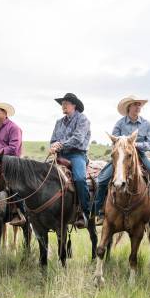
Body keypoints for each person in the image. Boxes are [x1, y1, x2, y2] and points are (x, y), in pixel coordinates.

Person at [94, 95, 150, 224]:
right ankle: (99, 211)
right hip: (122, 156)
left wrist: (134, 145)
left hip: (140, 155)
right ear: (129, 107)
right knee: (101, 180)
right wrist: (123, 145)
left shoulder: (146, 124)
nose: (138, 107)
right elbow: (115, 141)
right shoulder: (120, 123)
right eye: (135, 104)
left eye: (139, 104)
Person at [50, 93, 91, 229]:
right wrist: (54, 146)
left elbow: (78, 139)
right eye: (62, 103)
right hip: (60, 156)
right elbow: (53, 140)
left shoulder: (82, 120)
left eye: (66, 103)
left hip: (77, 155)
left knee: (79, 179)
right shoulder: (59, 122)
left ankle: (84, 212)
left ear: (74, 105)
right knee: (43, 176)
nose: (63, 106)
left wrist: (60, 144)